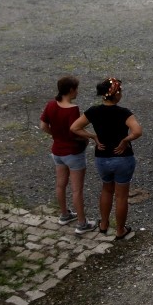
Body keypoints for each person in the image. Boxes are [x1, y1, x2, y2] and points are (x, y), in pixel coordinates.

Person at [70, 77, 142, 239]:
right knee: (121, 196)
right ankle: (120, 230)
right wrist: (125, 140)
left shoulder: (93, 111)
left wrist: (93, 137)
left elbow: (74, 127)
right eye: (120, 91)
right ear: (115, 94)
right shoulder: (124, 113)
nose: (121, 93)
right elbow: (137, 131)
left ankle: (103, 225)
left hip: (102, 158)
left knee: (106, 190)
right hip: (122, 158)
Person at [39, 76, 93, 233]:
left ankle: (64, 214)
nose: (78, 91)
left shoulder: (50, 105)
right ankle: (82, 223)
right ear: (70, 90)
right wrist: (88, 137)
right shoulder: (72, 109)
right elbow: (75, 131)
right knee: (77, 190)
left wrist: (55, 135)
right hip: (73, 153)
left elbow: (43, 125)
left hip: (57, 151)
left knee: (60, 185)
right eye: (76, 88)